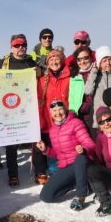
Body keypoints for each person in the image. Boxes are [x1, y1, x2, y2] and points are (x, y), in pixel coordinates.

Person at [36, 100, 95, 209]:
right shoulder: (52, 130)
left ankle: (81, 195)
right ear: (51, 113)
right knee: (46, 196)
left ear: (65, 110)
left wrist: (83, 149)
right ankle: (81, 183)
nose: (57, 113)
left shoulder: (76, 123)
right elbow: (58, 154)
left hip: (80, 163)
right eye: (54, 110)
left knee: (80, 158)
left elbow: (90, 144)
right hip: (65, 167)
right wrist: (46, 150)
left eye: (60, 109)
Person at [0, 34, 37, 187]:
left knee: (34, 136)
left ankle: (40, 169)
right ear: (11, 46)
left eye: (23, 45)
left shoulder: (30, 62)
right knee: (11, 141)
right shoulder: (5, 62)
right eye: (17, 45)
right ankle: (13, 174)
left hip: (28, 106)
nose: (21, 48)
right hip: (11, 106)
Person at [34, 49, 70, 184]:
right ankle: (54, 173)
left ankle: (68, 172)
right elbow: (39, 102)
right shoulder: (43, 81)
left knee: (66, 146)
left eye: (57, 59)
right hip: (49, 121)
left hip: (66, 120)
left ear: (62, 60)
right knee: (52, 148)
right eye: (51, 59)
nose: (54, 62)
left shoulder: (70, 78)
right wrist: (41, 120)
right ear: (47, 63)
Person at [85, 46, 111, 129]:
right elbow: (87, 91)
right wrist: (94, 71)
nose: (108, 63)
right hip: (101, 121)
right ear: (99, 64)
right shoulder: (96, 77)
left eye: (110, 59)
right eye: (104, 61)